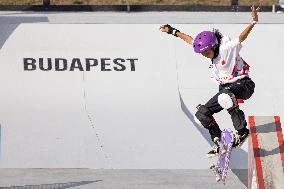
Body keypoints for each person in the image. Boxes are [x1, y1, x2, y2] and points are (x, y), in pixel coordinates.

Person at [160, 6, 260, 158]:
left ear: (214, 46)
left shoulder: (226, 48)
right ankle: (218, 141)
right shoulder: (208, 48)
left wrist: (253, 21)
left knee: (225, 97)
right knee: (202, 114)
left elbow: (241, 37)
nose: (205, 55)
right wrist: (172, 31)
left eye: (206, 52)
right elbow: (189, 40)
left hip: (244, 85)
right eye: (203, 53)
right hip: (227, 88)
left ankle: (242, 132)